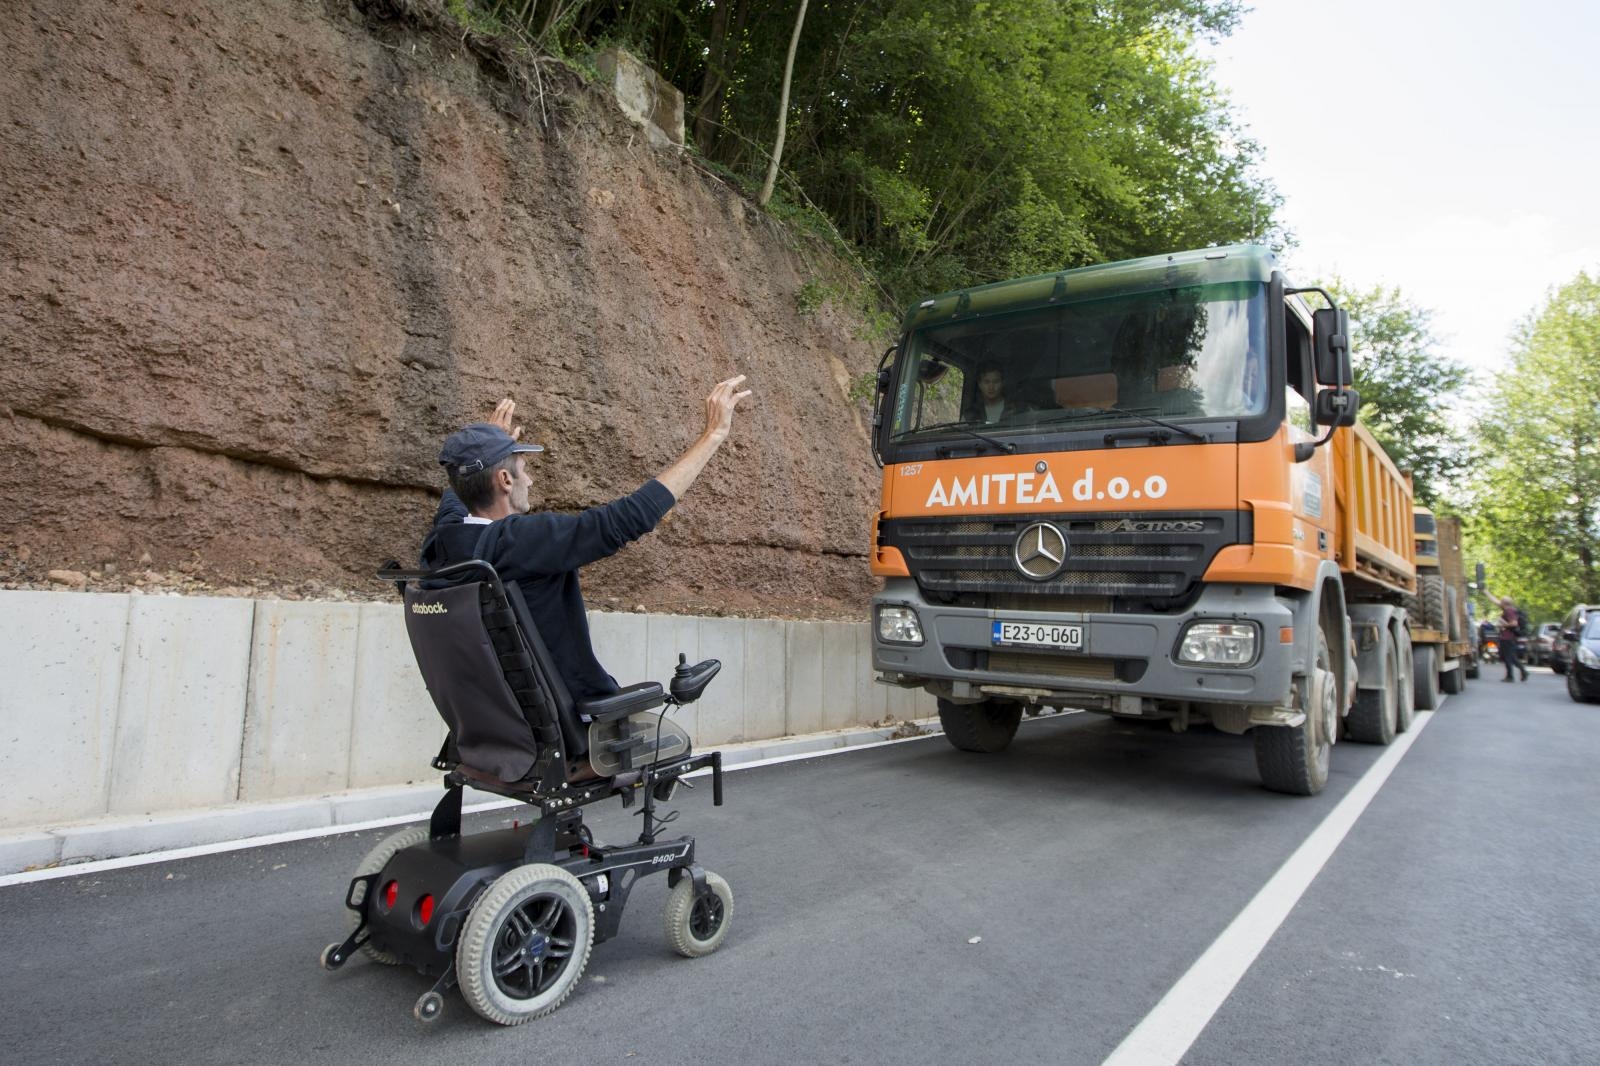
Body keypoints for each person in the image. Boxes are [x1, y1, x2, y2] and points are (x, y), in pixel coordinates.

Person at [421, 376, 752, 705]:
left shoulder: (441, 546)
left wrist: (486, 446)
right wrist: (714, 434)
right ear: (505, 480)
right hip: (574, 721)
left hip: (497, 724)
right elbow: (625, 520)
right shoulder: (523, 541)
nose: (531, 480)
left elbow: (456, 498)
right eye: (523, 470)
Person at [1494, 595, 1529, 682]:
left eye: (1501, 601)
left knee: (1508, 658)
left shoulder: (1509, 611)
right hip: (1509, 637)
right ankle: (1522, 671)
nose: (1500, 603)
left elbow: (1514, 623)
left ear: (1504, 603)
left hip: (1507, 638)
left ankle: (1510, 676)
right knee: (1511, 657)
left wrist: (1502, 624)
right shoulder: (1510, 610)